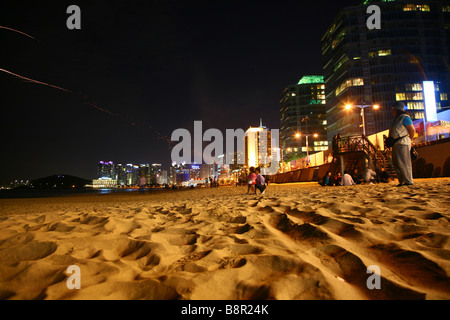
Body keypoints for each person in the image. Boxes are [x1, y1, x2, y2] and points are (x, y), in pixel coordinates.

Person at [388, 102, 415, 186]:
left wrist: (410, 140)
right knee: (396, 163)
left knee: (404, 162)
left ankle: (408, 181)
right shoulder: (397, 118)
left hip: (403, 142)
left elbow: (412, 130)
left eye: (393, 109)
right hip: (396, 143)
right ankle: (402, 180)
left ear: (397, 109)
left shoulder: (405, 117)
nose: (392, 110)